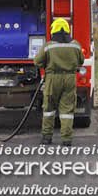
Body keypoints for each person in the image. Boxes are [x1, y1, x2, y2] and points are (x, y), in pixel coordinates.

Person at [35, 18, 84, 146]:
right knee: (67, 110)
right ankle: (67, 139)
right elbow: (81, 61)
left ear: (54, 30)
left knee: (49, 108)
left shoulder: (49, 46)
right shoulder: (75, 45)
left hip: (53, 79)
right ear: (67, 30)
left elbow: (37, 61)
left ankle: (47, 138)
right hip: (69, 79)